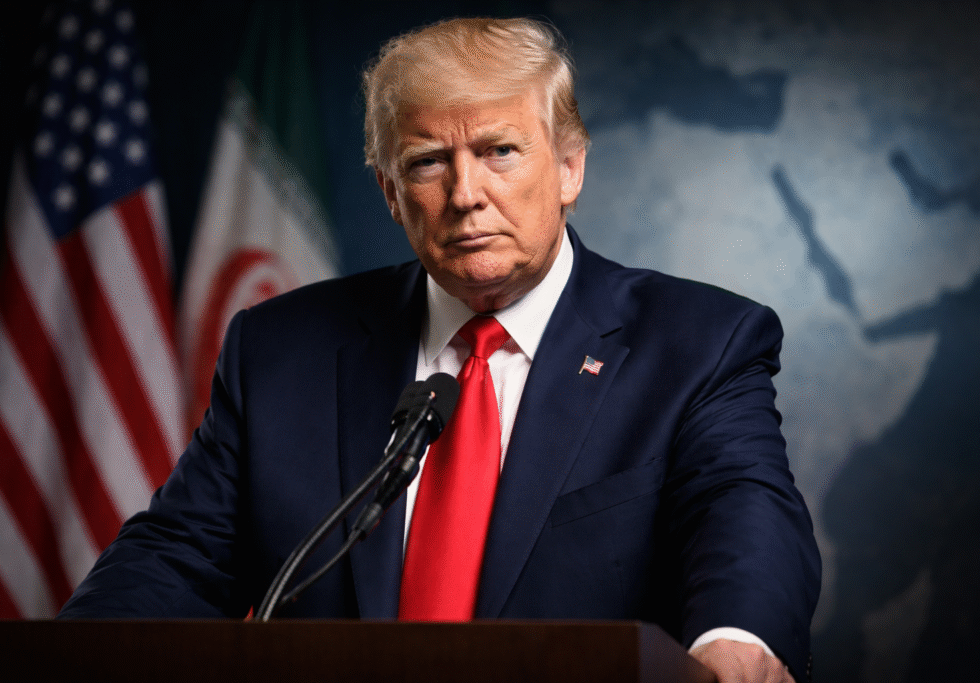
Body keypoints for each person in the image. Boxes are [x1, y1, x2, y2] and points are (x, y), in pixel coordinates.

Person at [59, 17, 820, 683]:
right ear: (390, 192)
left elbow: (742, 508)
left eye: (500, 151)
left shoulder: (698, 342)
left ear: (568, 168)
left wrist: (735, 636)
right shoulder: (280, 349)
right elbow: (179, 553)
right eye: (427, 161)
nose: (465, 193)